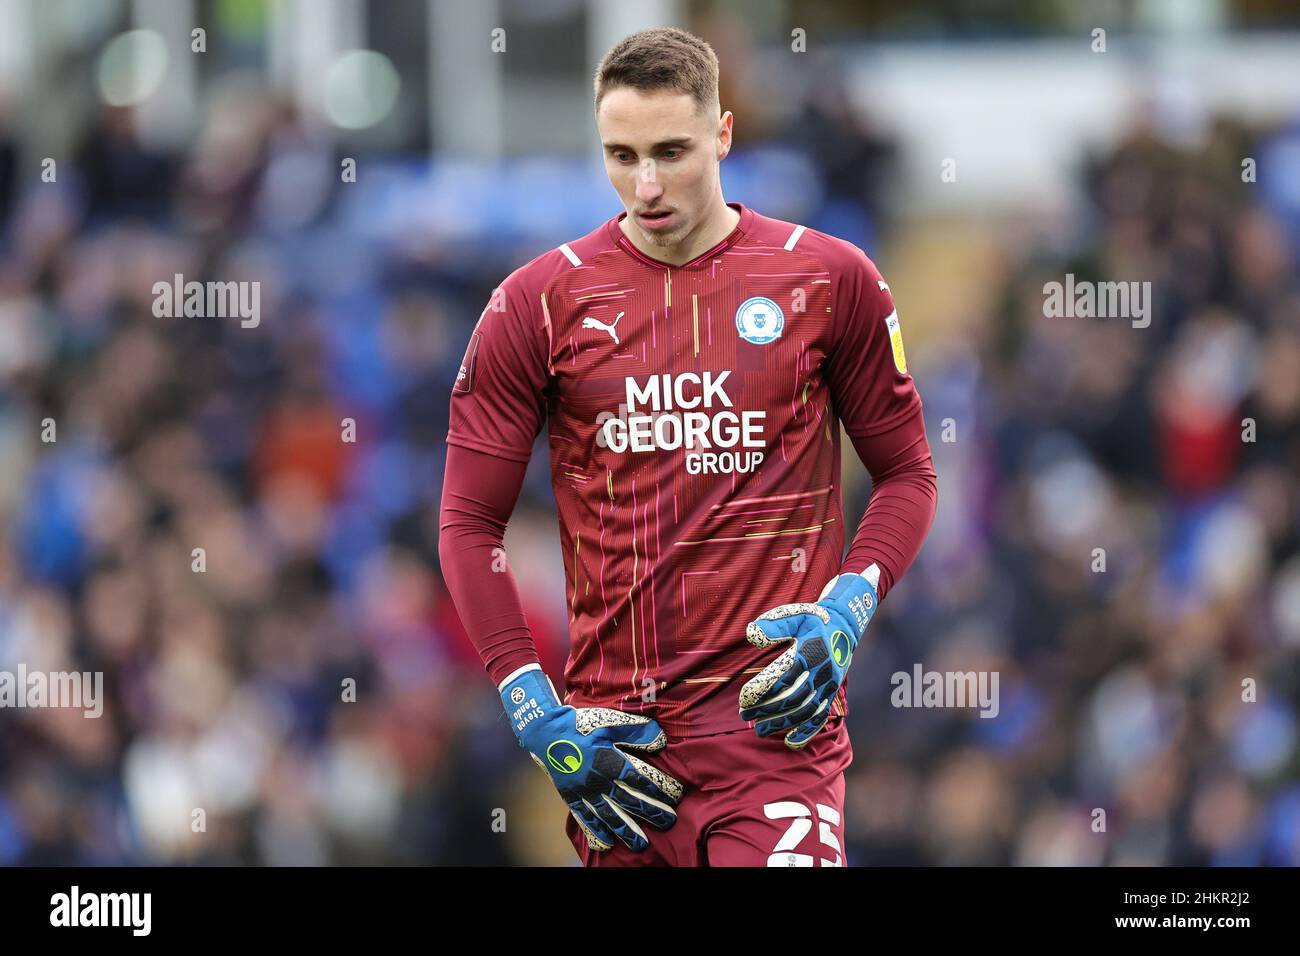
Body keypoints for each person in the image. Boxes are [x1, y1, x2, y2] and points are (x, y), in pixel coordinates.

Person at [438, 27, 937, 867]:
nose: (647, 183)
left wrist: (849, 607)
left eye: (672, 151)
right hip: (617, 755)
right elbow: (466, 524)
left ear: (725, 134)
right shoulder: (536, 304)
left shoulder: (827, 279)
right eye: (621, 154)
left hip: (776, 739)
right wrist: (533, 708)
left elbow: (908, 475)